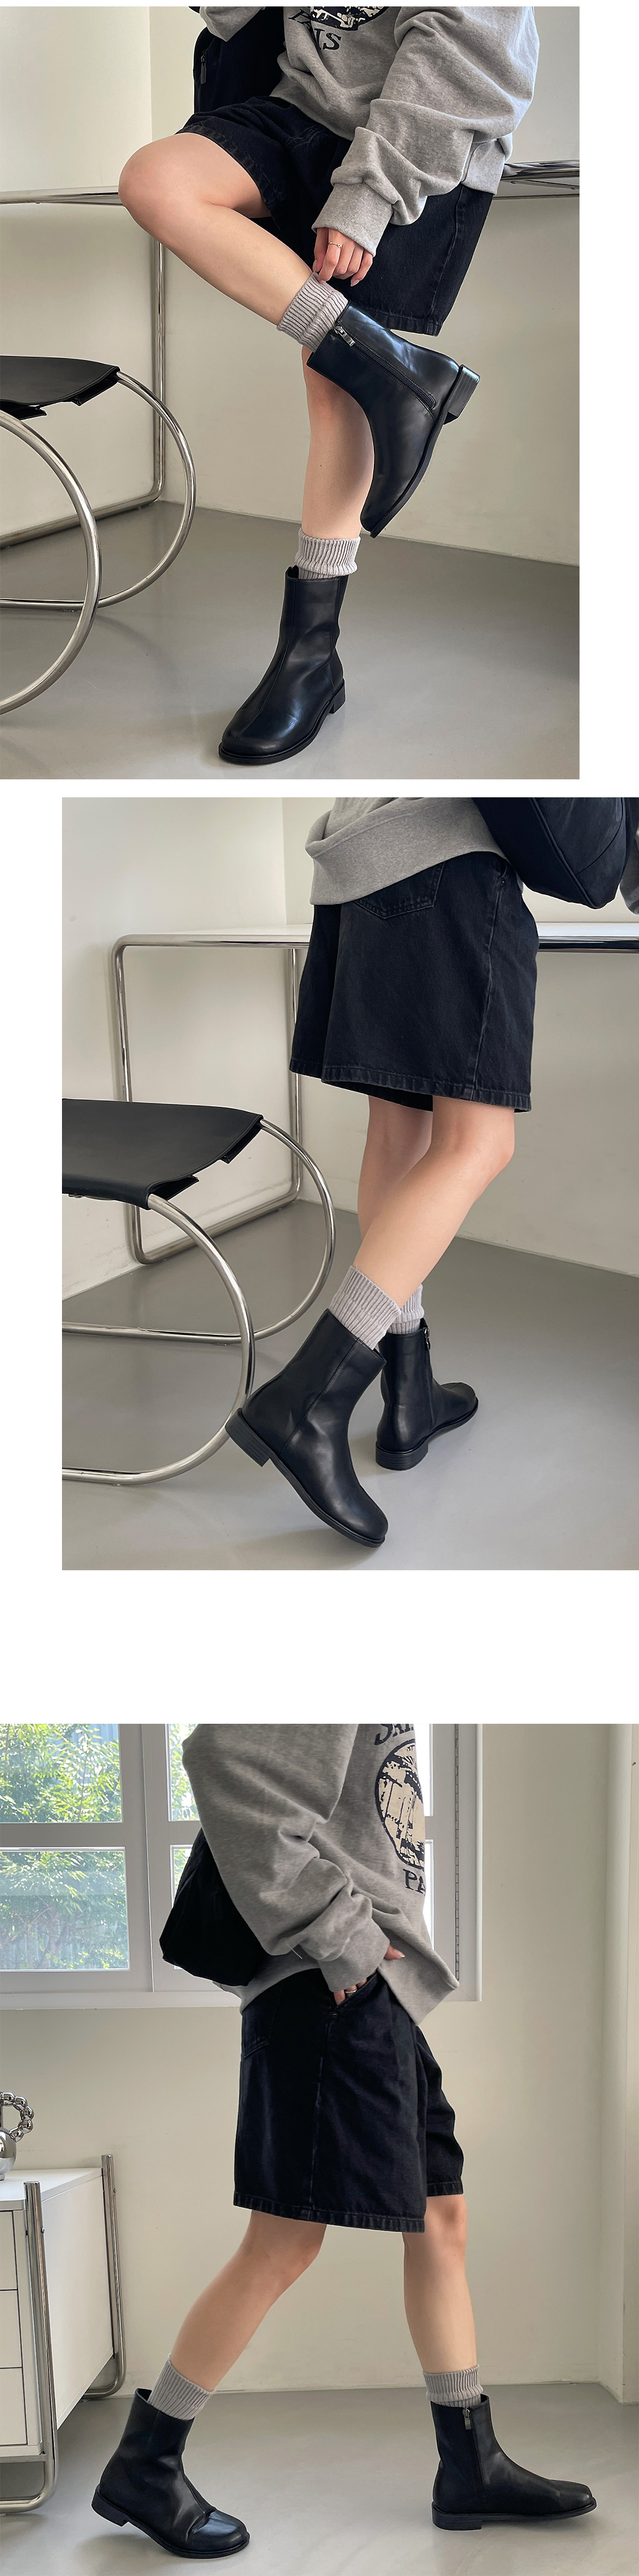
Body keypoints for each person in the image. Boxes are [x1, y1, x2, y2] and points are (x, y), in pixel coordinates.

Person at [93, 1723, 596, 2555]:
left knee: (441, 2219)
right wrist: (343, 1938)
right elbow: (222, 1758)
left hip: (374, 1994)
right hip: (329, 1991)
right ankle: (146, 2463)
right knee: (283, 2241)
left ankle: (469, 2465)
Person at [118, 6, 539, 762]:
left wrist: (369, 195)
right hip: (296, 109)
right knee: (157, 179)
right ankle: (396, 375)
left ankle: (310, 654)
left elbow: (470, 48)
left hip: (416, 128)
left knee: (332, 385)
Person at [227, 795, 539, 1547]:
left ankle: (409, 1395)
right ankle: (307, 1401)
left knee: (401, 1133)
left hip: (361, 870)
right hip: (452, 863)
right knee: (477, 1143)